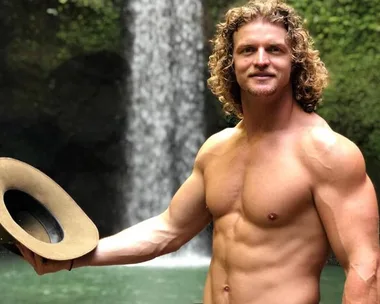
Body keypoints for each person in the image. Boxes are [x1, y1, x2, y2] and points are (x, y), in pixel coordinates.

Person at [17, 0, 379, 303]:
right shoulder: (217, 149)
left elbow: (365, 270)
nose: (261, 60)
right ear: (231, 64)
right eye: (247, 50)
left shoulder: (326, 153)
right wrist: (72, 258)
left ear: (294, 62)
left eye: (275, 50)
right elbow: (168, 230)